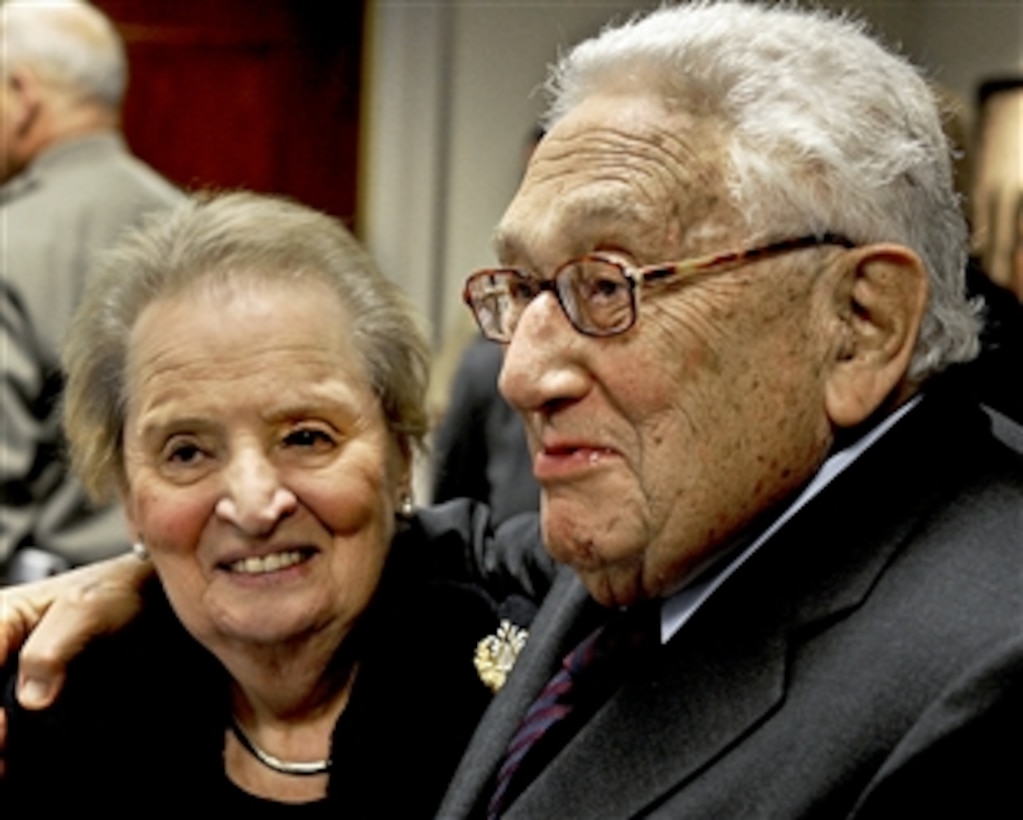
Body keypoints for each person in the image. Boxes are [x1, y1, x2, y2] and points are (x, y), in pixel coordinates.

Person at [3, 2, 1023, 816]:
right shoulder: (681, 530)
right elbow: (456, 549)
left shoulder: (987, 682)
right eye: (525, 290)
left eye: (606, 282)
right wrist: (154, 572)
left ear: (860, 321)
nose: (523, 370)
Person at [0, 190, 546, 814]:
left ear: (400, 457)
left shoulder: (531, 681)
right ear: (129, 496)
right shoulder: (65, 705)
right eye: (186, 452)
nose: (255, 506)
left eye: (306, 437)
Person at [0, 0, 184, 579]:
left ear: (22, 94)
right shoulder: (200, 229)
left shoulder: (10, 241)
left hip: (49, 622)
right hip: (201, 605)